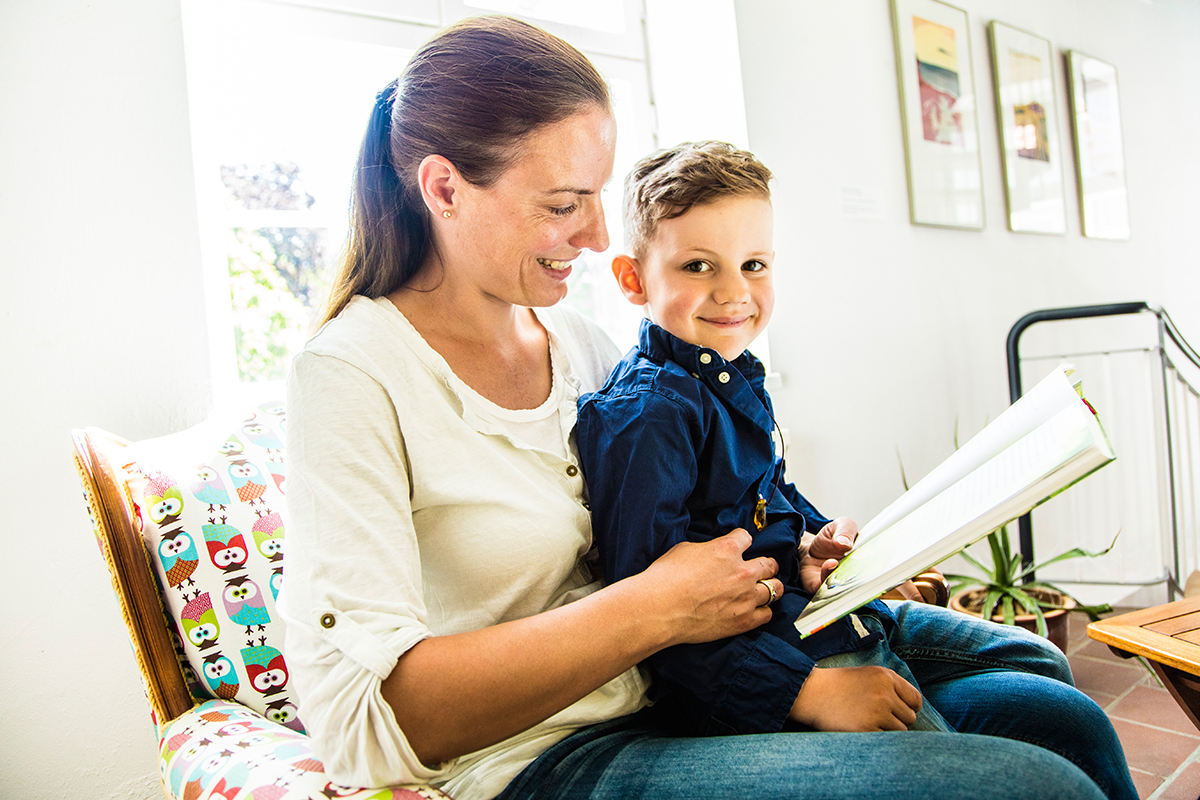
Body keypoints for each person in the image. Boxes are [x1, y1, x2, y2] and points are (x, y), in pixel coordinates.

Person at [278, 14, 1133, 800]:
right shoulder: (352, 378)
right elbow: (372, 726)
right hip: (548, 754)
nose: (597, 237)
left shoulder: (580, 343)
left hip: (685, 686)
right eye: (562, 204)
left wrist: (802, 554)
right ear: (445, 188)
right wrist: (657, 608)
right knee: (1025, 785)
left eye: (597, 196)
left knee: (1060, 713)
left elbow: (699, 519)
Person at [574, 141, 1139, 788]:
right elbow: (650, 620)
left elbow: (767, 494)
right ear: (632, 280)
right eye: (699, 266)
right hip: (776, 662)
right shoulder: (650, 416)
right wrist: (807, 694)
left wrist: (816, 536)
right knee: (984, 769)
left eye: (754, 264)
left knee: (1037, 660)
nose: (734, 292)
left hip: (815, 615)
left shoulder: (730, 375)